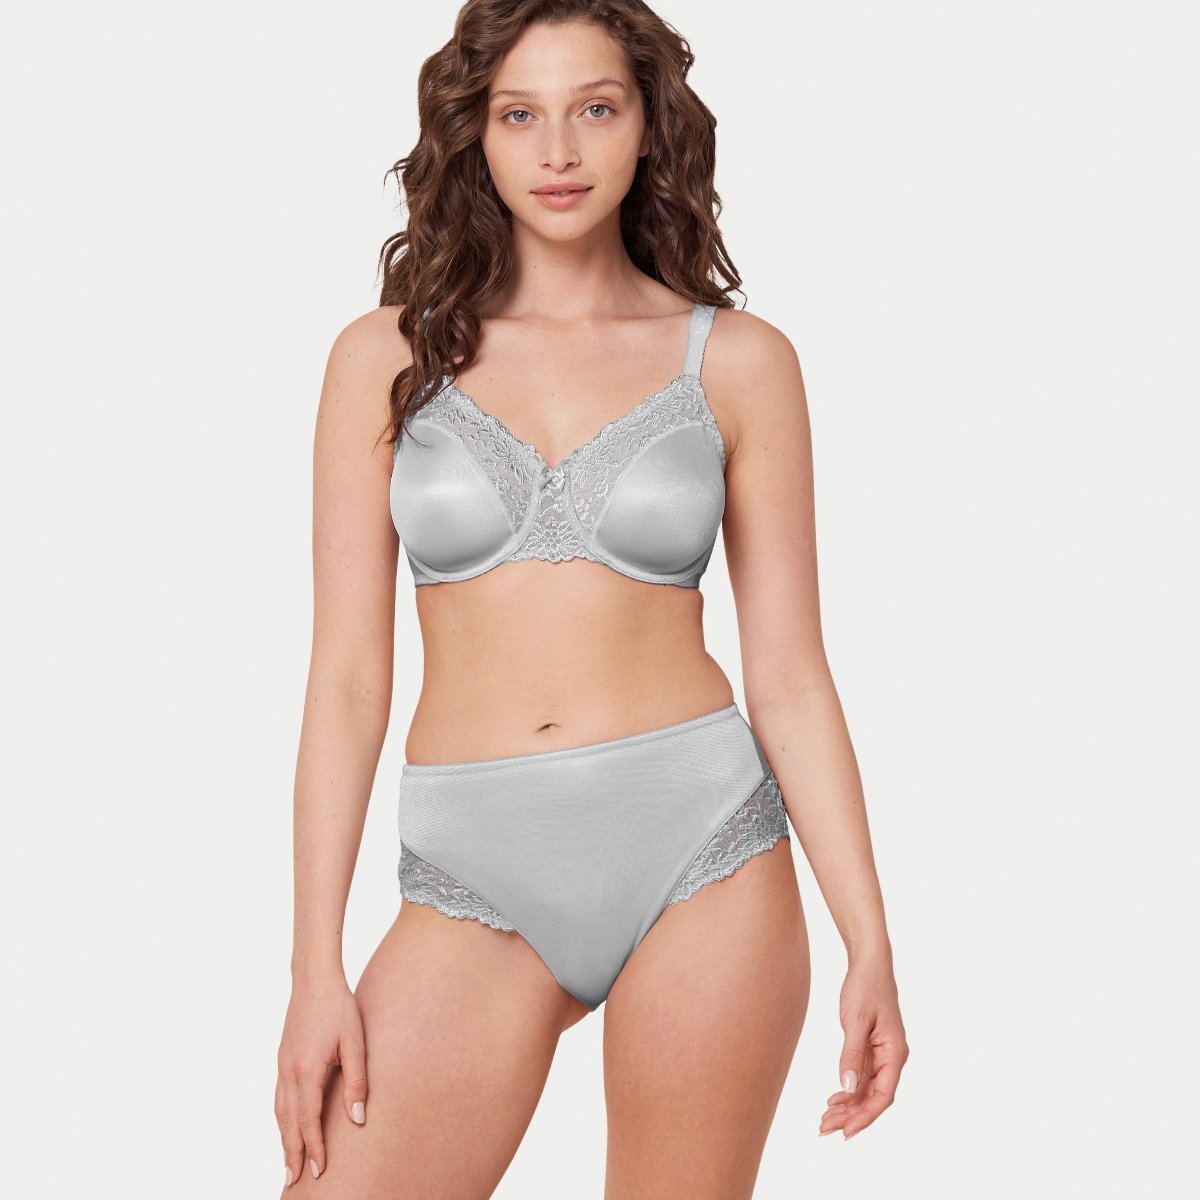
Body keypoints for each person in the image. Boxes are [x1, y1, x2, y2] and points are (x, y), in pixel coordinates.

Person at [275, 1, 909, 1194]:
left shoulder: (739, 362)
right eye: (521, 115)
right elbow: (348, 682)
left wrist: (868, 937)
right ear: (477, 133)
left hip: (704, 849)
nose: (559, 152)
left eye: (596, 110)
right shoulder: (384, 359)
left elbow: (789, 675)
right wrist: (316, 968)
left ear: (648, 125)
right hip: (471, 872)